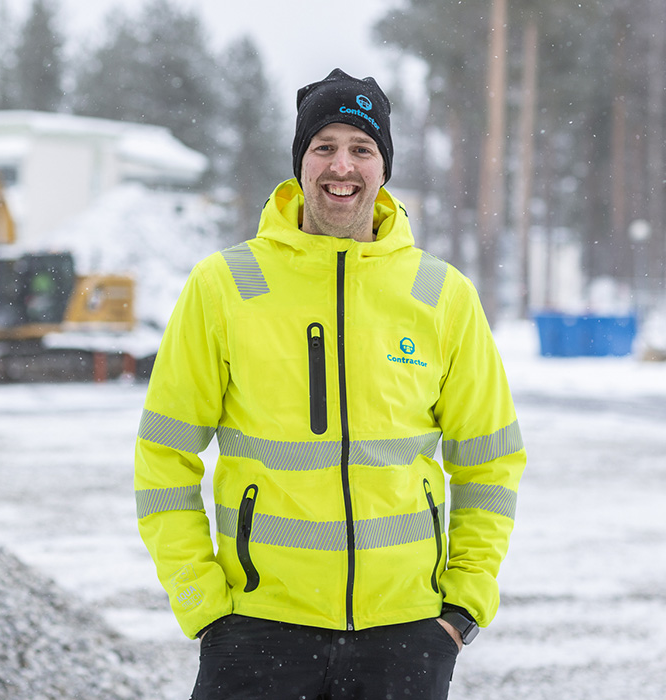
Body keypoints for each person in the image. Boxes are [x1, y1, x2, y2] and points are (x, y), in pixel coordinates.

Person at [133, 69, 526, 699]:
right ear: (299, 163)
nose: (342, 166)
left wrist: (461, 609)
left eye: (361, 148)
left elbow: (490, 460)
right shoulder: (224, 285)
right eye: (324, 146)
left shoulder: (440, 294)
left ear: (383, 167)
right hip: (258, 632)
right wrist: (204, 605)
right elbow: (163, 457)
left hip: (404, 635)